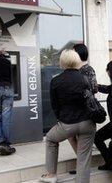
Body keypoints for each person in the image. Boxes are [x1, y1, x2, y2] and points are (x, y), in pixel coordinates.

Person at [40, 50, 96, 183]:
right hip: (88, 123)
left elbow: (55, 106)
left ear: (62, 62)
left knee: (51, 139)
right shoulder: (85, 79)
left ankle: (51, 175)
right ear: (77, 60)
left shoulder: (56, 81)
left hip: (67, 124)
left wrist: (61, 119)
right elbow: (91, 99)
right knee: (83, 158)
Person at [66, 44, 98, 175]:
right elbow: (94, 88)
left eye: (73, 52)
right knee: (72, 136)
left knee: (79, 138)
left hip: (83, 110)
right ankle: (82, 164)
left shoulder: (85, 70)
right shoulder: (81, 70)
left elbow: (91, 89)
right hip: (78, 110)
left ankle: (83, 166)